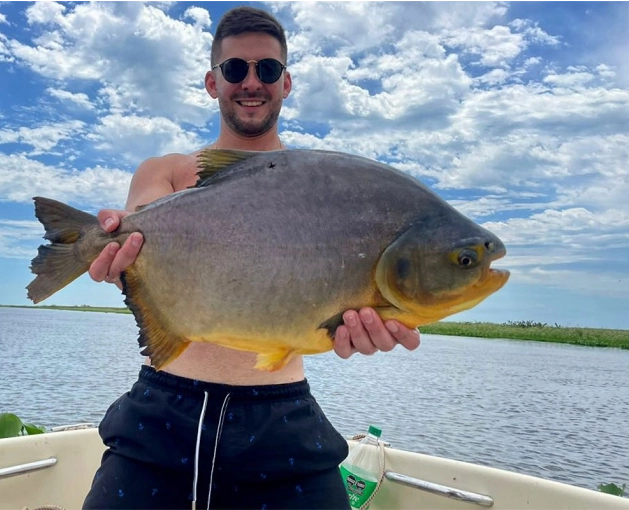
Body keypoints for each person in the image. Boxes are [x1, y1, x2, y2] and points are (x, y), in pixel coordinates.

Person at [82, 6, 420, 509]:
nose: (251, 82)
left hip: (281, 419)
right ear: (211, 82)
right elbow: (143, 243)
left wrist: (369, 318)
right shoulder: (165, 171)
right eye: (235, 69)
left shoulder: (316, 186)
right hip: (161, 410)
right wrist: (114, 257)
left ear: (286, 83)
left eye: (267, 70)